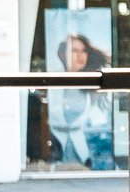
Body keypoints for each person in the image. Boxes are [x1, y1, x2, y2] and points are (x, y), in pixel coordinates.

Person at [44, 30, 116, 170]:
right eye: (74, 51)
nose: (80, 56)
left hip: (84, 151)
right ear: (63, 54)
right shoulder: (53, 81)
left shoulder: (90, 84)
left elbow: (102, 116)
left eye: (84, 51)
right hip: (56, 148)